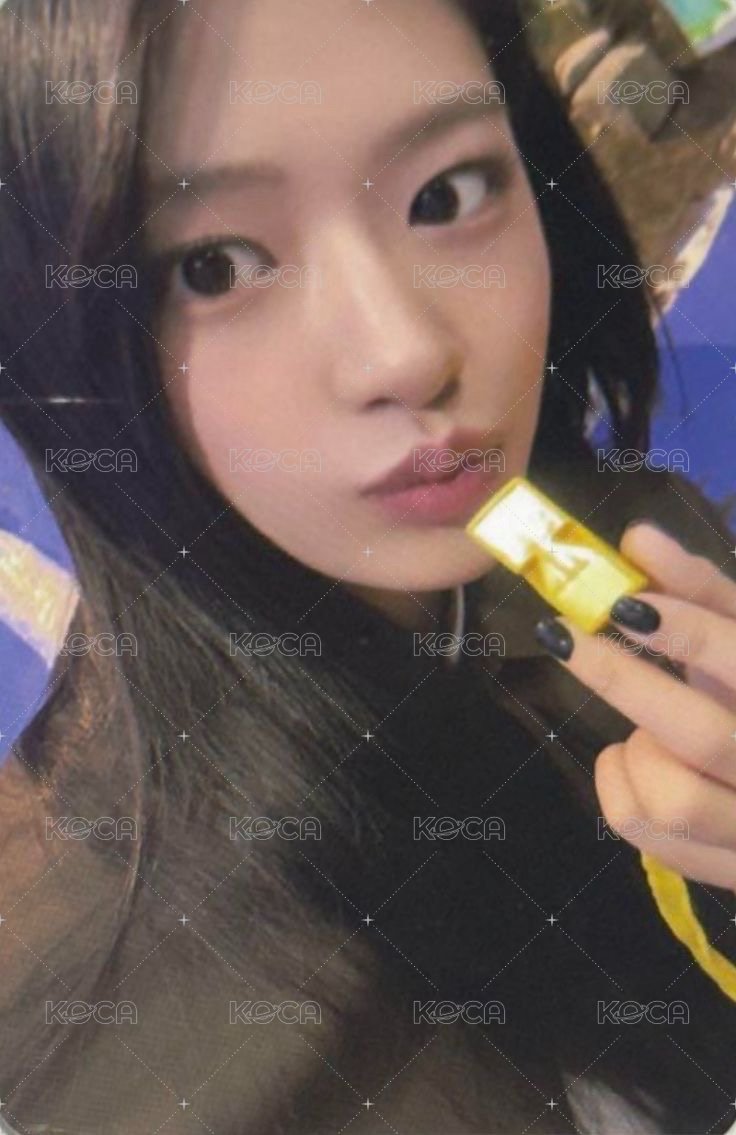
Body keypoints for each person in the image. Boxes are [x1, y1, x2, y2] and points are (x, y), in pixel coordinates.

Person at [1, 0, 736, 1131]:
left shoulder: (611, 532)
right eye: (214, 266)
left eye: (445, 194)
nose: (406, 350)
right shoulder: (133, 1034)